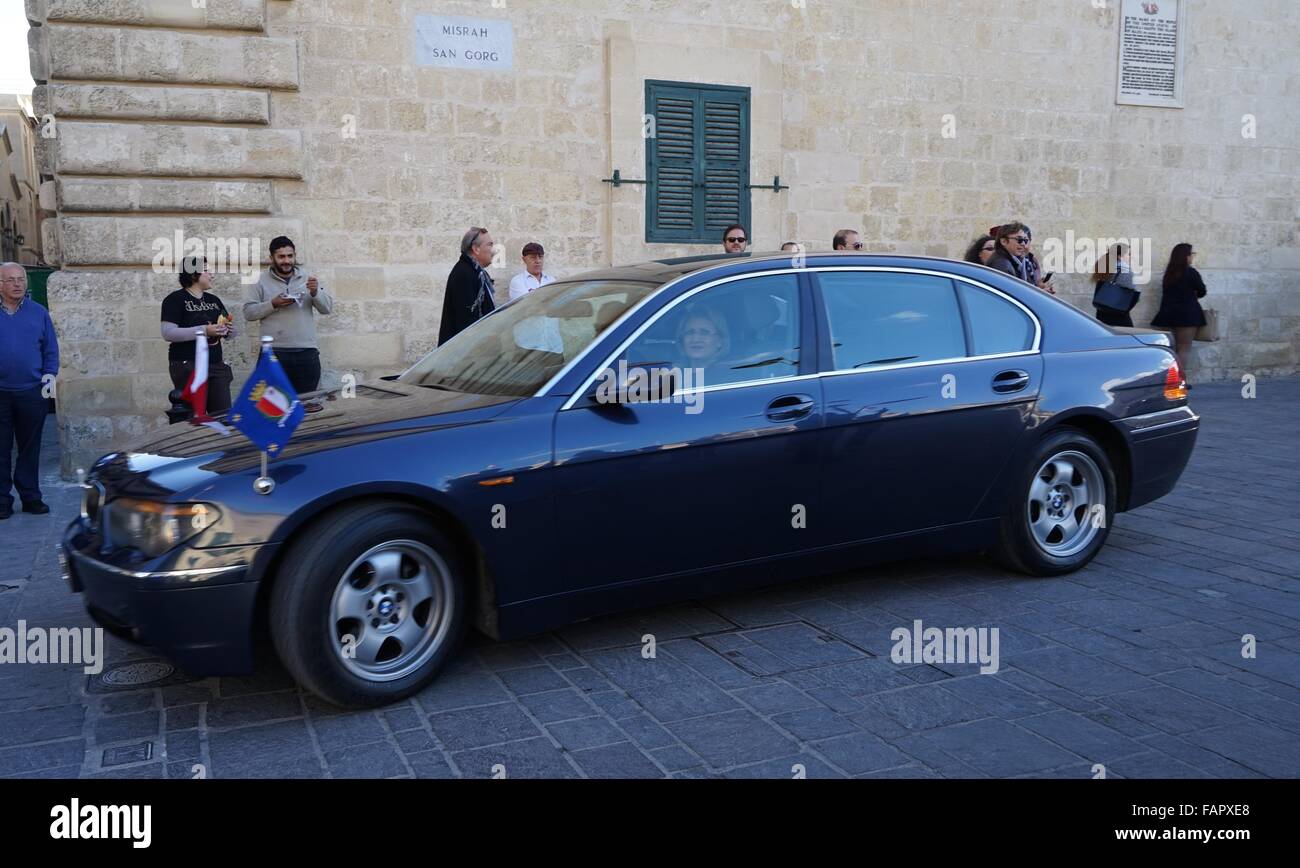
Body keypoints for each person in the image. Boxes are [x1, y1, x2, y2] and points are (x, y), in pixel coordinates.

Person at [0, 263, 58, 519]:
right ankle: (2, 500)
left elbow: (50, 349)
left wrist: (49, 376)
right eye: (11, 280)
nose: (17, 284)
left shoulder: (39, 312)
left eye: (21, 279)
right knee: (0, 449)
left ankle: (31, 497)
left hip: (32, 391)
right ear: (0, 284)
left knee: (30, 447)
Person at [242, 236, 332, 396]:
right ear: (272, 258)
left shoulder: (307, 278)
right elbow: (249, 313)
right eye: (281, 256)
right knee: (271, 409)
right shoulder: (259, 281)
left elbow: (327, 308)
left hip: (306, 353)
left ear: (294, 256)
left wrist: (315, 292)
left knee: (307, 406)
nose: (286, 261)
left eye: (290, 256)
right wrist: (273, 304)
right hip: (273, 353)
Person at [161, 256, 235, 415]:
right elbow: (168, 333)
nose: (212, 275)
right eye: (207, 271)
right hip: (187, 365)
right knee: (192, 416)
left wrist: (228, 329)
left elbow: (229, 334)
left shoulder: (214, 300)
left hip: (216, 364)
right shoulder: (174, 299)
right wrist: (204, 330)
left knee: (222, 415)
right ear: (193, 274)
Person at [1151, 243, 1207, 383]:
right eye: (1191, 254)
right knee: (1184, 348)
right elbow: (1202, 291)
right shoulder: (1191, 272)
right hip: (1187, 315)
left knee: (1170, 349)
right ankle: (1178, 381)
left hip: (1168, 315)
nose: (1192, 257)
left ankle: (1167, 379)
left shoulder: (1168, 274)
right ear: (1186, 256)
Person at [439, 227, 498, 344]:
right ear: (476, 249)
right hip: (467, 353)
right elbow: (467, 322)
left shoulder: (476, 272)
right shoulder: (464, 274)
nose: (493, 250)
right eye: (489, 245)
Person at [986, 223, 1055, 293]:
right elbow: (1011, 296)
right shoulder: (1001, 264)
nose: (1023, 244)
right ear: (1004, 241)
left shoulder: (1016, 261)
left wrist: (1038, 288)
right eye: (1019, 240)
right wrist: (1041, 294)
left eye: (1026, 240)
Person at [674, 306, 732, 383]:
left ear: (719, 341)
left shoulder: (728, 378)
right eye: (690, 332)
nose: (695, 339)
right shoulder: (672, 375)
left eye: (704, 333)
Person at [1091, 243, 1138, 327]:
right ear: (1120, 256)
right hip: (1118, 314)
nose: (1132, 257)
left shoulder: (1106, 267)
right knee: (1126, 337)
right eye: (1129, 254)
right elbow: (1131, 294)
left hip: (1102, 311)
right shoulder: (1125, 271)